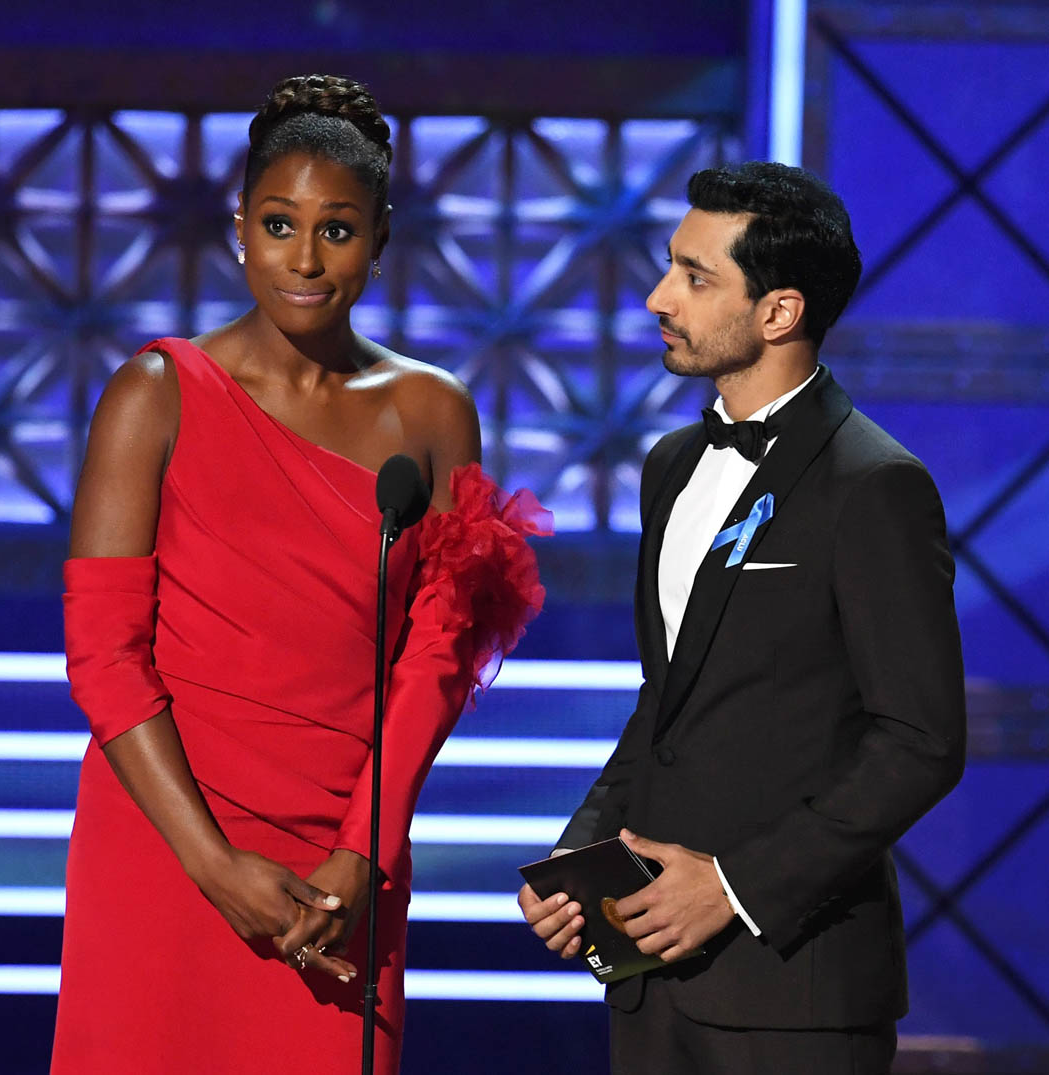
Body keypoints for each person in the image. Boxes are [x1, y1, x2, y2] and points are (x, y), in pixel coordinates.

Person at [51, 73, 550, 1075]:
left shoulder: (432, 411)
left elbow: (437, 656)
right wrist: (211, 864)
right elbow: (104, 654)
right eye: (279, 223)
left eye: (337, 229)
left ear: (381, 236)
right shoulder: (155, 394)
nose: (305, 258)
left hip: (343, 858)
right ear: (239, 227)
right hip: (166, 840)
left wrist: (364, 849)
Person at [518, 161, 965, 1074]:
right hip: (649, 977)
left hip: (795, 991)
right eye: (669, 267)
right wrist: (581, 855)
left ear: (779, 313)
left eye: (694, 276)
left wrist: (732, 886)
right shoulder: (672, 465)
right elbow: (667, 704)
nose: (657, 297)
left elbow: (921, 739)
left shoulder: (876, 485)